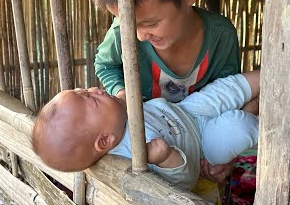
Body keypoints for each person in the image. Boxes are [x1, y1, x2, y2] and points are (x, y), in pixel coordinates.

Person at [91, 0, 257, 184]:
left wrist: (225, 158)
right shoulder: (124, 33)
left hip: (199, 157)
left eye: (151, 23)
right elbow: (105, 65)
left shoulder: (220, 38)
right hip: (154, 171)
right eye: (129, 24)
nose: (140, 36)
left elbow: (232, 101)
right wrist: (122, 94)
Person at [32, 71, 259, 191]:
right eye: (92, 99)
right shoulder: (134, 155)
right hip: (204, 145)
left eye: (85, 90)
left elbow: (122, 96)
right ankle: (272, 121)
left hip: (188, 109)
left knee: (228, 88)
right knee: (238, 126)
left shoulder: (118, 116)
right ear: (104, 141)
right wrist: (167, 159)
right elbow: (186, 182)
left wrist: (121, 98)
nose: (96, 89)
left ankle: (270, 75)